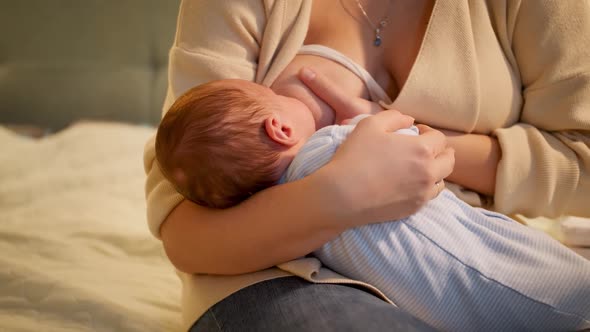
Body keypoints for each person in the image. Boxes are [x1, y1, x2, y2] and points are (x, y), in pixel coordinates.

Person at [143, 0, 590, 331]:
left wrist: (411, 144)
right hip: (281, 275)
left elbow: (580, 164)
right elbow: (183, 228)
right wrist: (338, 195)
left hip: (466, 258)